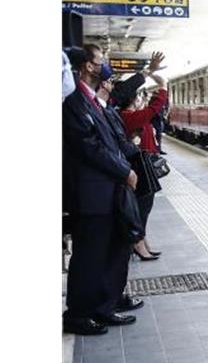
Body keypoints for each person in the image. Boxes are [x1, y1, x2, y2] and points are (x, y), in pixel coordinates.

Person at [62, 45, 139, 335]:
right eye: (99, 62)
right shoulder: (74, 102)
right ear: (85, 67)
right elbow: (90, 146)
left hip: (105, 192)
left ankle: (102, 307)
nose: (103, 66)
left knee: (107, 253)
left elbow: (107, 142)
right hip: (91, 194)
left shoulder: (90, 101)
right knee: (89, 257)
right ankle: (79, 315)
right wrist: (124, 170)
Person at [119, 76, 169, 259]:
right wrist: (163, 87)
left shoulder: (131, 116)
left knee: (145, 206)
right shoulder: (129, 117)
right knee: (142, 206)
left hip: (143, 164)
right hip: (139, 166)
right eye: (139, 96)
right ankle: (138, 243)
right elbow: (154, 109)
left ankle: (142, 239)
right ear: (133, 99)